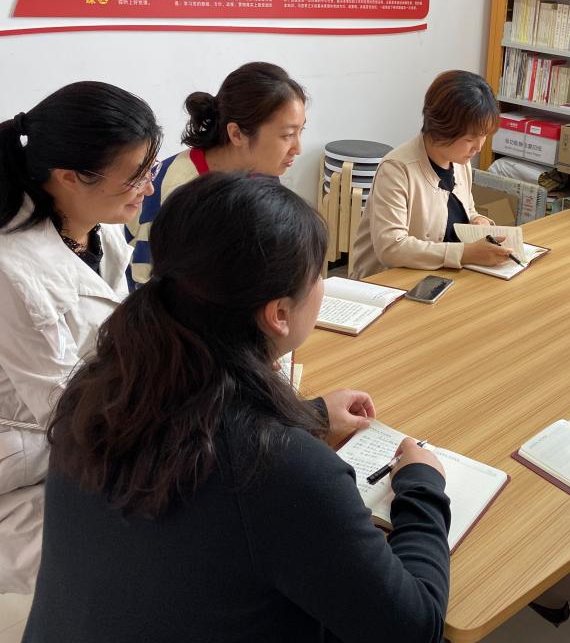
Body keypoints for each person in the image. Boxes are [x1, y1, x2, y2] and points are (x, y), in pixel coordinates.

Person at [25, 174, 451, 642]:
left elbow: (203, 453)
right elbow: (413, 629)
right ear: (279, 314)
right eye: (318, 275)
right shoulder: (281, 471)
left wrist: (308, 416)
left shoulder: (99, 387)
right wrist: (422, 485)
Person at [0, 82, 162, 593]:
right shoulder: (12, 269)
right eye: (135, 176)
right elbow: (70, 411)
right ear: (69, 177)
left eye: (151, 169)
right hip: (24, 467)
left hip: (81, 436)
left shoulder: (95, 226)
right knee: (141, 572)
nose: (149, 188)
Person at [126, 61, 307, 288]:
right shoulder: (177, 189)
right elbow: (145, 283)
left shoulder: (261, 172)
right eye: (287, 135)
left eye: (301, 131)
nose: (298, 148)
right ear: (237, 134)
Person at [349, 70, 511, 280]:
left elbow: (465, 209)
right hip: (388, 283)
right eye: (470, 139)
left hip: (439, 276)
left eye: (484, 136)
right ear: (442, 128)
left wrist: (478, 220)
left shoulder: (460, 162)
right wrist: (465, 253)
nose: (479, 147)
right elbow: (391, 248)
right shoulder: (397, 169)